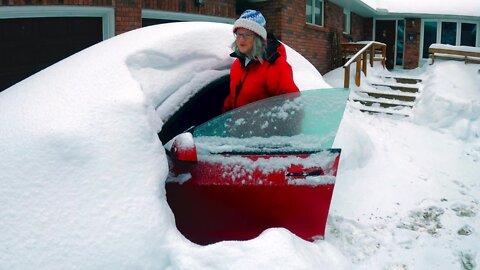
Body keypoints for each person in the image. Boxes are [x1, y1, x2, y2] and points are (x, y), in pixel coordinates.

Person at [222, 9, 300, 113]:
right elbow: (233, 98)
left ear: (259, 38)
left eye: (247, 35)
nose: (241, 40)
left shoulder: (275, 66)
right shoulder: (237, 65)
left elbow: (293, 106)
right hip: (239, 127)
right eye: (239, 34)